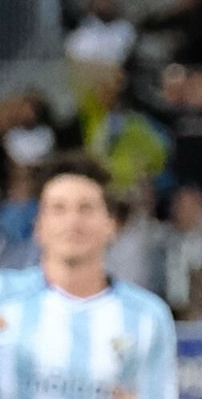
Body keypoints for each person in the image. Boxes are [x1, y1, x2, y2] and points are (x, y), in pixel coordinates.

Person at [0, 156, 177, 398]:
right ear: (38, 226)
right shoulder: (4, 296)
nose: (73, 222)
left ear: (112, 224)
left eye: (86, 209)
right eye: (58, 209)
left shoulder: (148, 317)